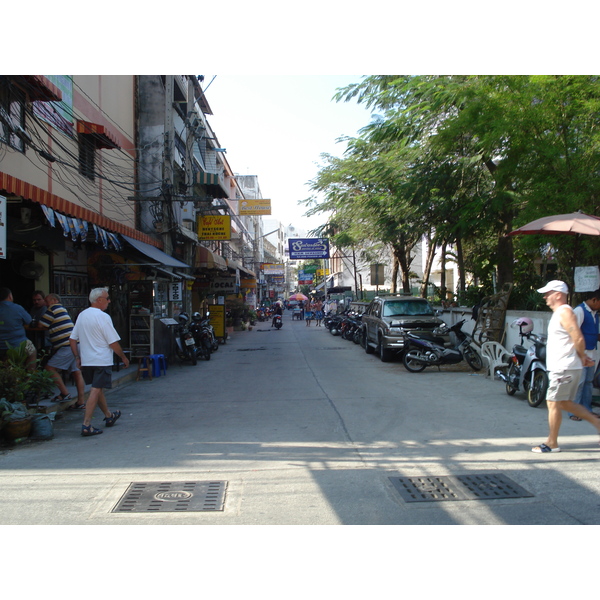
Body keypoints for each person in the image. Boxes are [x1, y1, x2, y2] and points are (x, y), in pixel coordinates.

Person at [531, 280, 600, 453]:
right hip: (564, 366)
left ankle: (552, 443)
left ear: (558, 294)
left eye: (548, 293)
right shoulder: (560, 313)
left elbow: (578, 337)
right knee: (566, 404)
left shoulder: (565, 311)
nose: (545, 296)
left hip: (564, 367)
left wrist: (582, 357)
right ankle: (598, 424)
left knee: (553, 402)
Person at [70, 287, 129, 437]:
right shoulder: (103, 317)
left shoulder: (82, 315)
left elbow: (72, 339)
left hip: (87, 360)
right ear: (99, 300)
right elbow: (113, 342)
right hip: (101, 359)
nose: (109, 301)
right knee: (95, 390)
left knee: (98, 388)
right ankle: (86, 424)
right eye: (107, 298)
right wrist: (123, 357)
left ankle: (109, 415)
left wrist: (77, 357)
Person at [39, 293, 86, 408]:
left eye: (47, 301)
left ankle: (64, 393)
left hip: (66, 345)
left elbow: (41, 325)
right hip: (76, 343)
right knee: (76, 372)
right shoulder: (62, 309)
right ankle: (81, 401)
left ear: (54, 300)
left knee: (49, 368)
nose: (45, 303)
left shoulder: (53, 308)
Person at [568, 289, 600, 420]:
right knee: (579, 383)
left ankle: (586, 410)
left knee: (588, 383)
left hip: (591, 354)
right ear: (594, 300)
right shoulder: (579, 311)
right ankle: (574, 412)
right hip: (580, 355)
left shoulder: (595, 314)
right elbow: (573, 333)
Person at [0, 287, 37, 371]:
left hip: (1, 346)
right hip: (17, 343)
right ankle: (28, 378)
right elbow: (29, 321)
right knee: (32, 352)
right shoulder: (17, 308)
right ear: (10, 296)